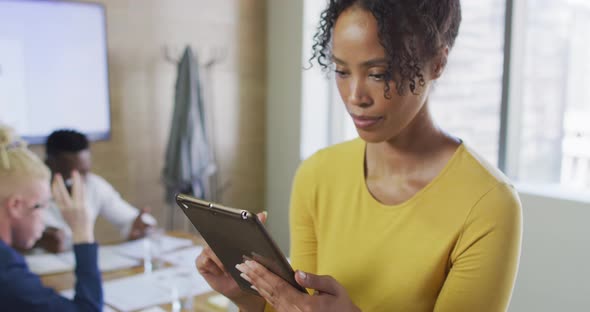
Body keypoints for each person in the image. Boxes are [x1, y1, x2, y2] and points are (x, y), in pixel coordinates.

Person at [197, 0, 522, 311]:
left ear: (437, 62)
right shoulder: (317, 175)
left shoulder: (488, 204)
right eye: (341, 71)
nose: (355, 97)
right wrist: (249, 297)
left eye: (378, 74)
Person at [0, 125, 103, 311]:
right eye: (41, 205)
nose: (43, 217)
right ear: (15, 206)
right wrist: (82, 232)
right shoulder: (7, 276)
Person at [36, 129, 156, 253]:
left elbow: (131, 219)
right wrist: (37, 241)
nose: (79, 181)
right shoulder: (30, 192)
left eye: (84, 172)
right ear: (49, 164)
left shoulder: (93, 184)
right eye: (72, 174)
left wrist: (139, 227)